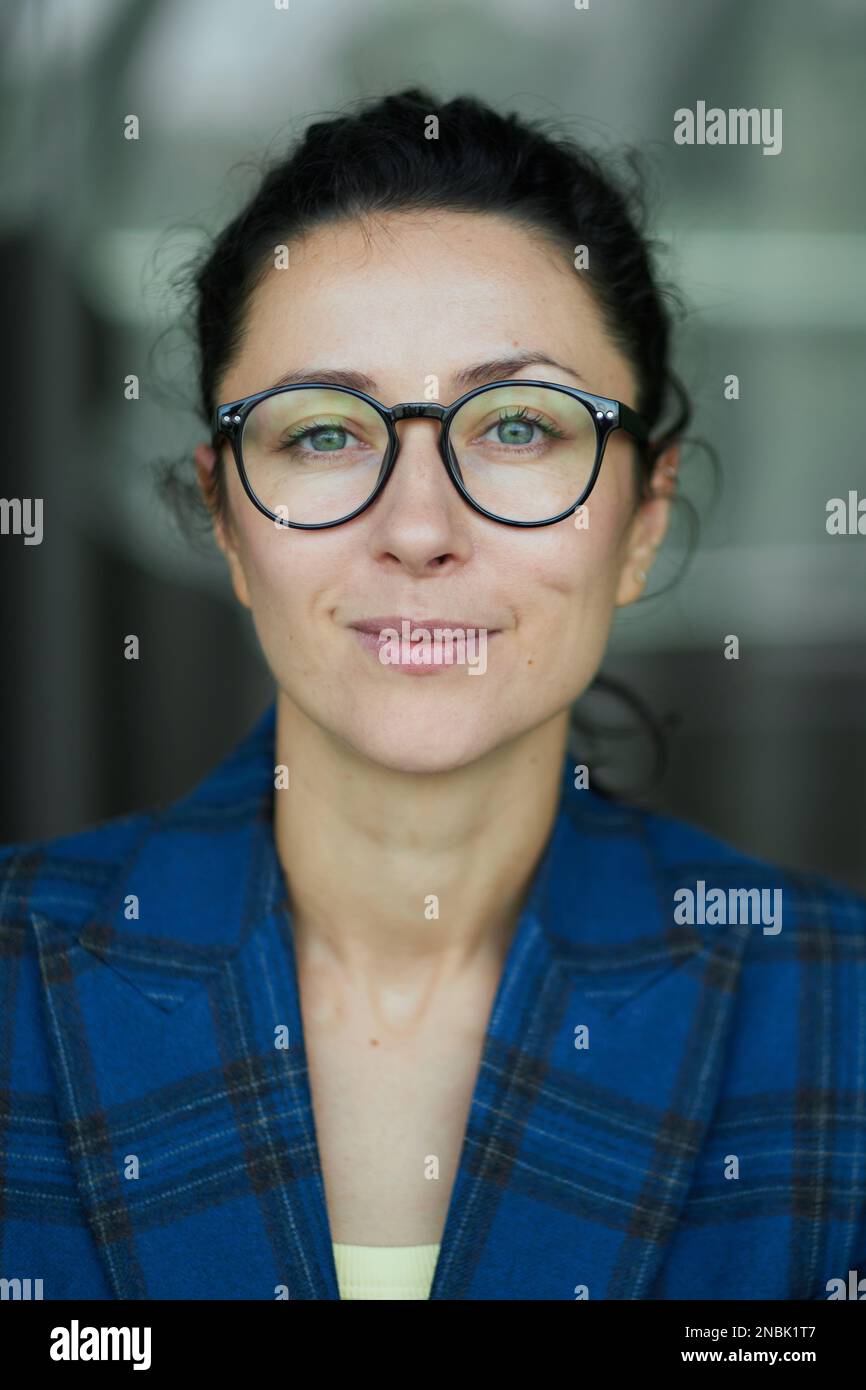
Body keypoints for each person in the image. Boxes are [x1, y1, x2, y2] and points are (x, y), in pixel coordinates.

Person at [1, 88, 864, 1303]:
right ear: (227, 522)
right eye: (321, 433)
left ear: (642, 517)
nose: (417, 526)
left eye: (516, 425)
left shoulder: (837, 1007)